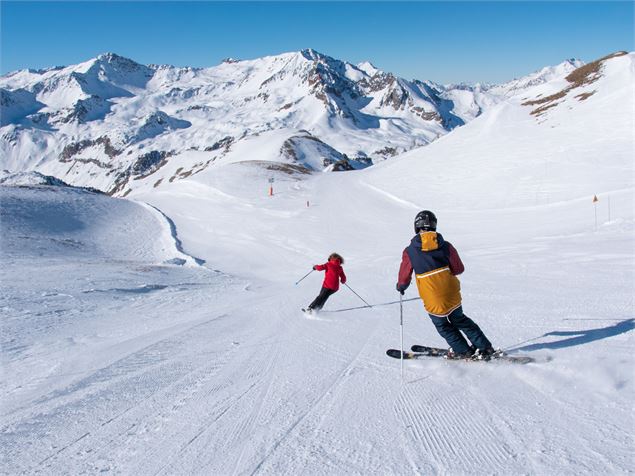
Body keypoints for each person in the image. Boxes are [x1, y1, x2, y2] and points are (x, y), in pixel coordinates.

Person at [396, 210, 495, 359]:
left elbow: (404, 277)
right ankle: (485, 347)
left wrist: (401, 286)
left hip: (433, 297)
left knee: (443, 325)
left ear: (417, 227)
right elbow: (459, 269)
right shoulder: (446, 246)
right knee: (460, 319)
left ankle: (463, 350)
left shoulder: (410, 251)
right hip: (452, 293)